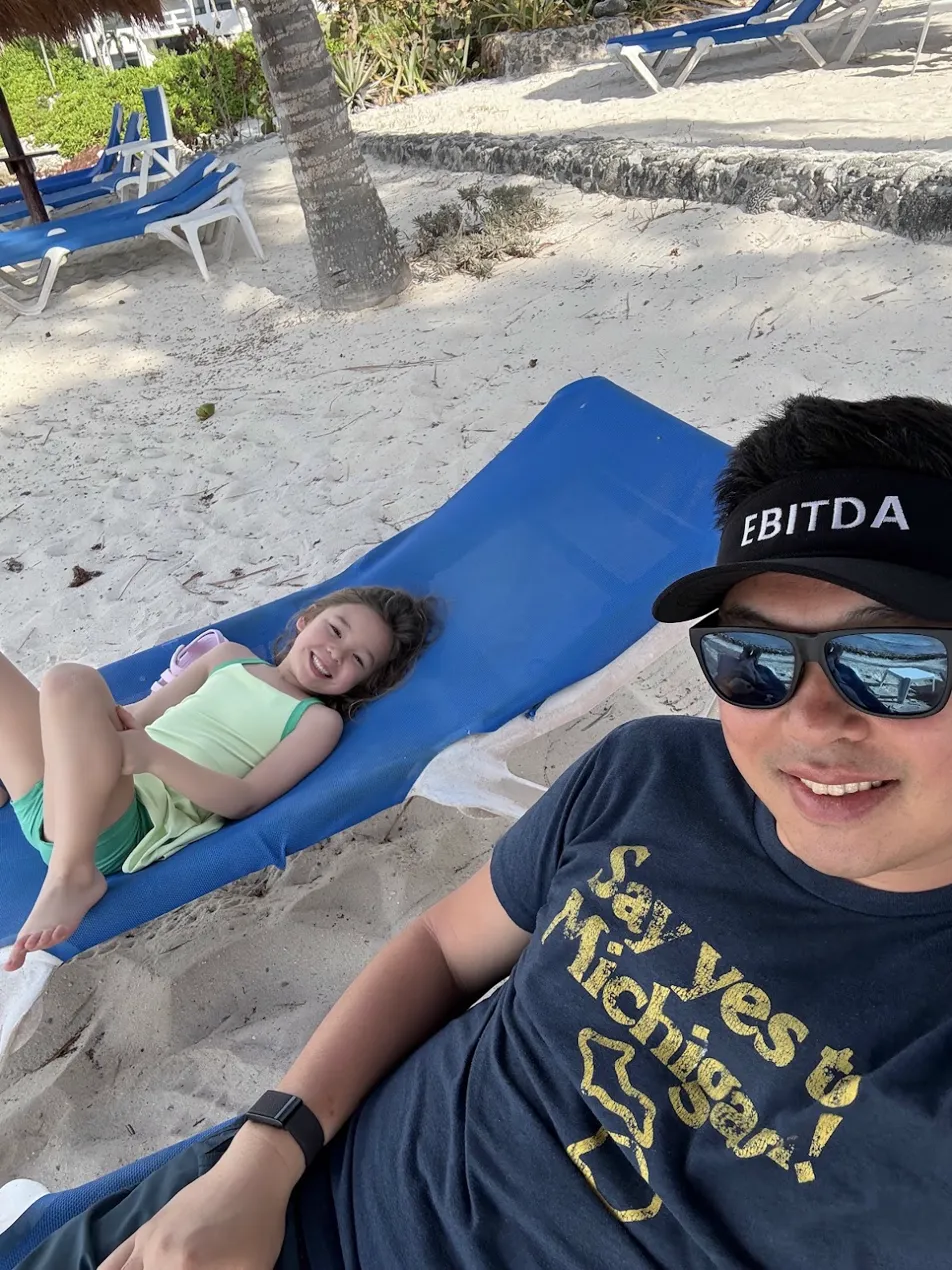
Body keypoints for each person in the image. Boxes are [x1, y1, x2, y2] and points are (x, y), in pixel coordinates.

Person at [15, 395, 952, 1270]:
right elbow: (437, 946)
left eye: (899, 662)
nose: (812, 722)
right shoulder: (652, 774)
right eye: (754, 659)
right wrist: (263, 1155)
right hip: (271, 1194)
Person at [1, 586, 437, 974]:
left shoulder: (317, 722)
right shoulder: (228, 657)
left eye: (358, 659)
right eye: (336, 630)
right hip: (65, 797)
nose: (335, 653)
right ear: (307, 618)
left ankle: (72, 875)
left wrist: (154, 757)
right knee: (59, 685)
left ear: (363, 681)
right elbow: (136, 716)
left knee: (70, 678)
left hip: (125, 823)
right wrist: (79, 731)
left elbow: (245, 800)